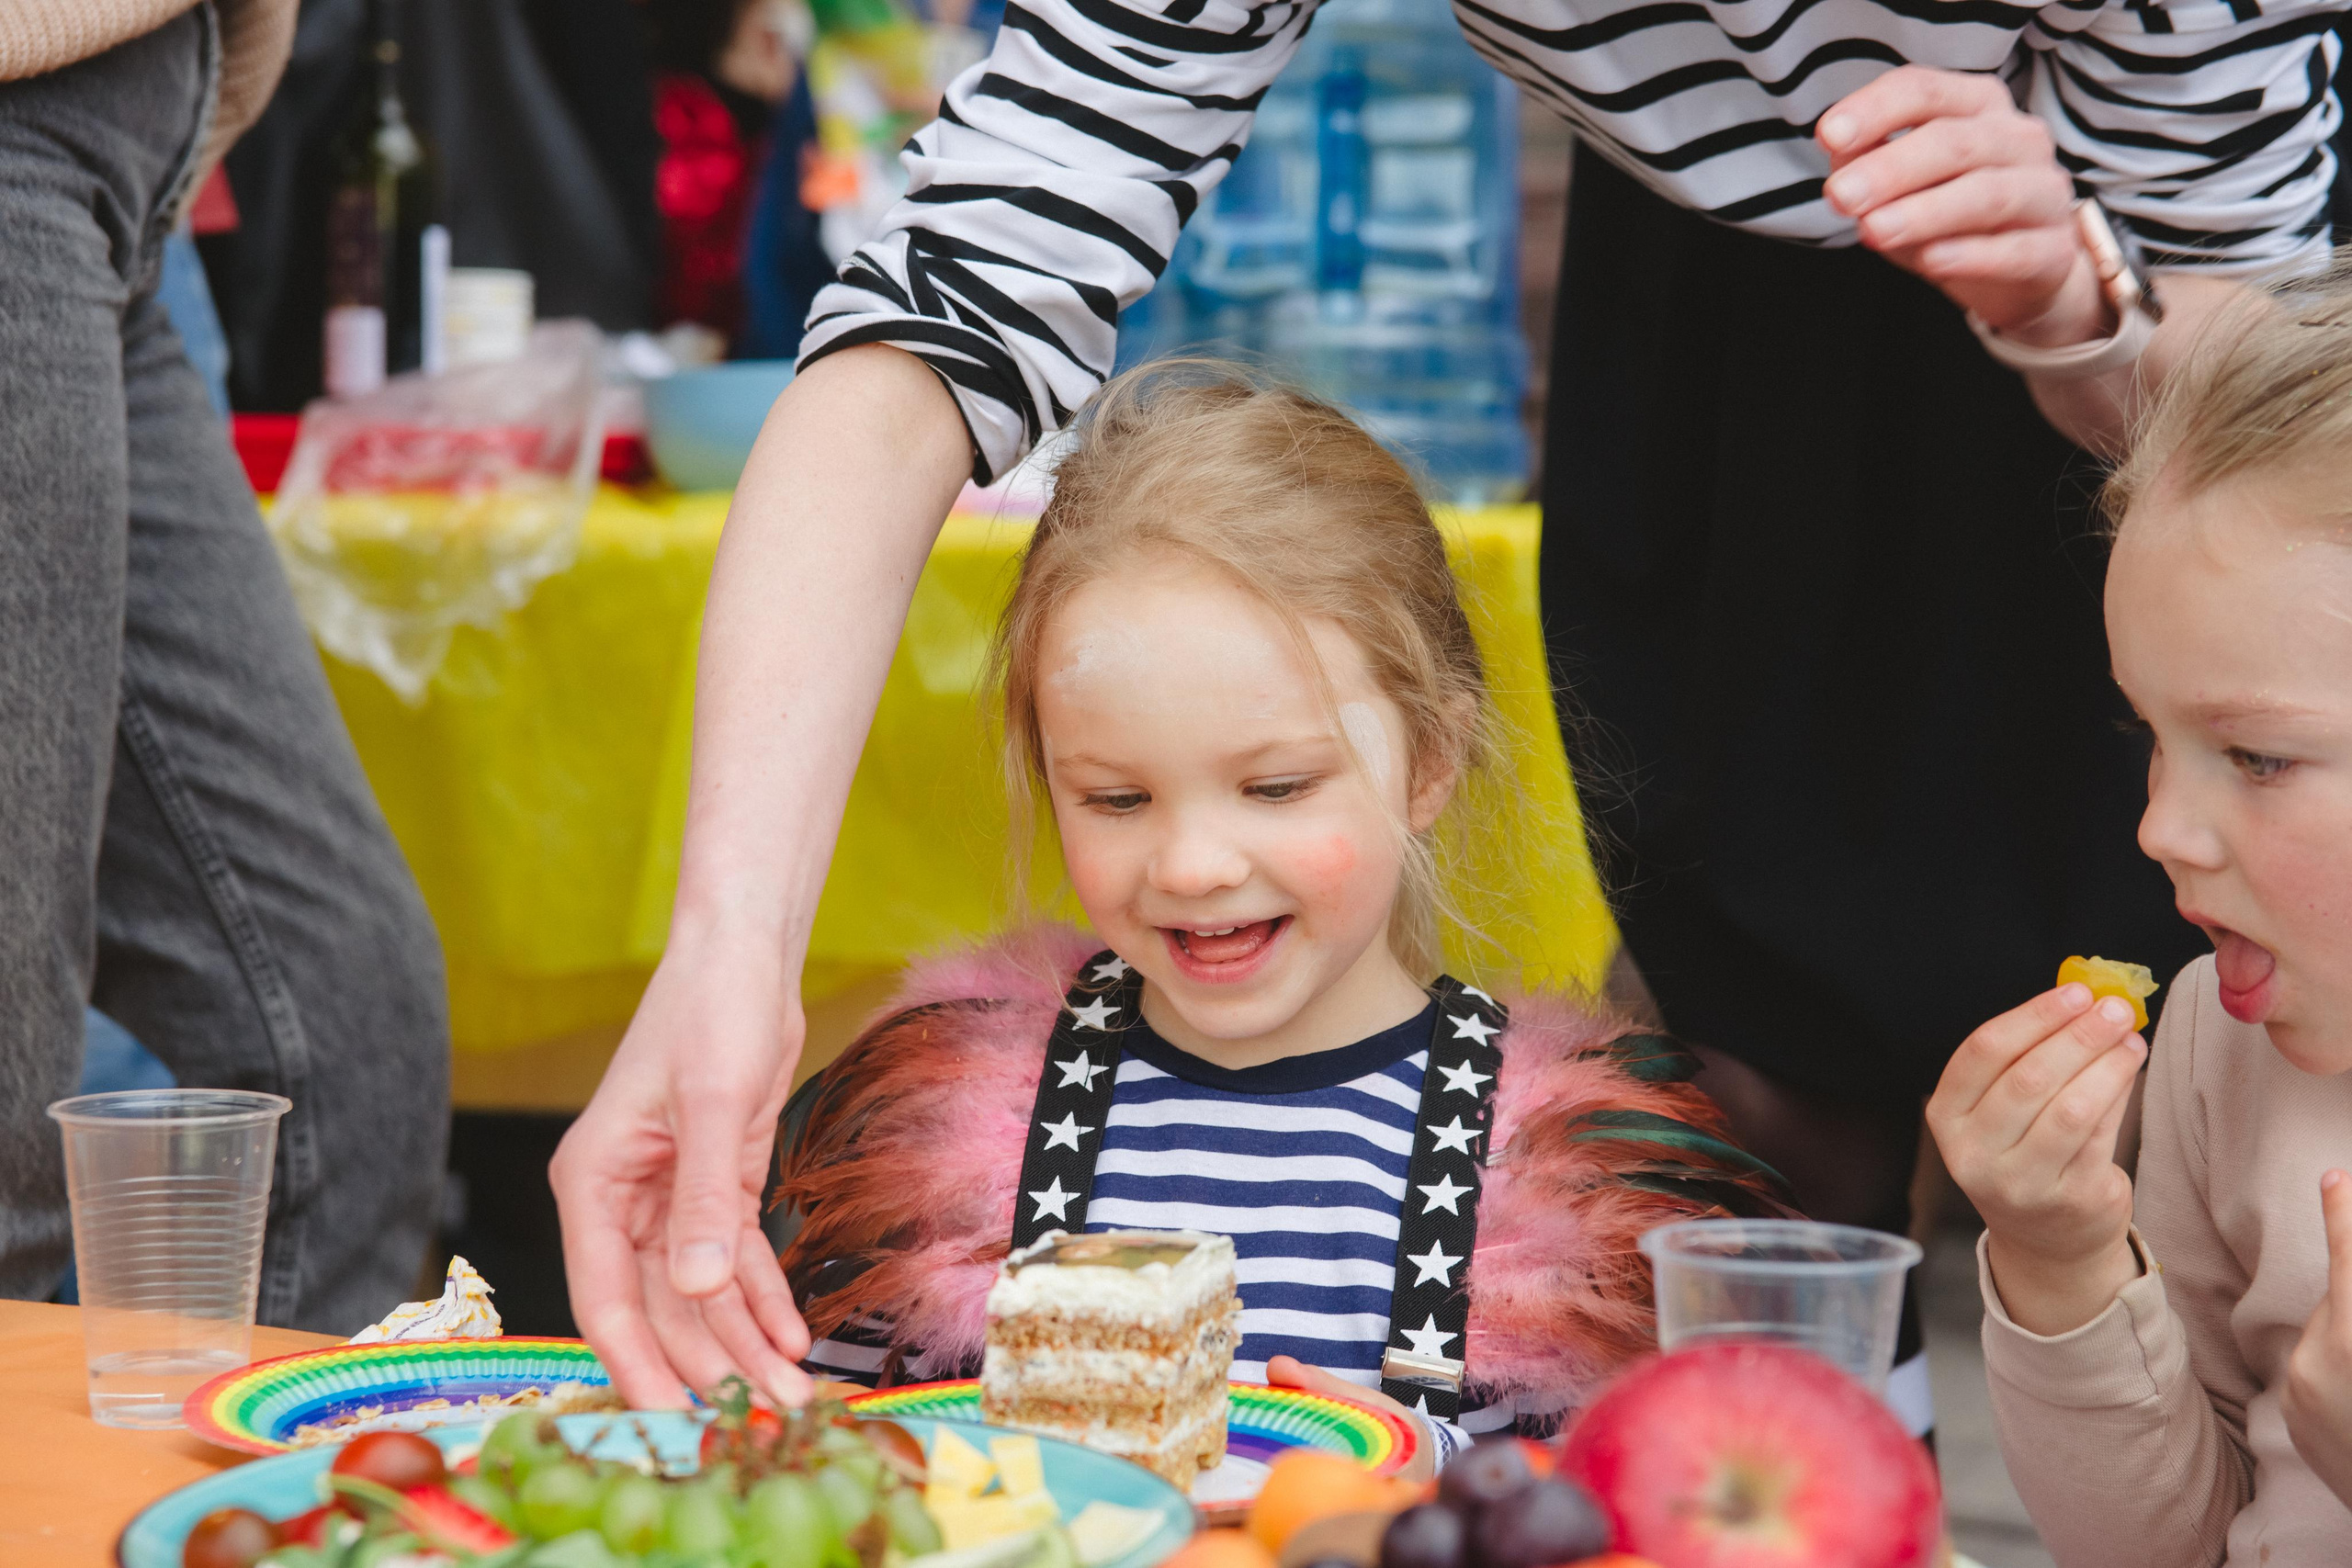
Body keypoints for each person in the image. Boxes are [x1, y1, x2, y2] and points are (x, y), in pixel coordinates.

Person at [551, 0, 2346, 1405]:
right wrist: (727, 954)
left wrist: (2080, 308)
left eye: (1270, 784)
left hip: (2153, 343)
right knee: (1768, 1101)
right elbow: (958, 280)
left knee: (2230, 1161)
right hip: (1711, 308)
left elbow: (2268, 397)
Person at [768, 361, 1789, 1465]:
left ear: (1430, 760)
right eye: (1117, 799)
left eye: (1275, 788)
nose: (1194, 866)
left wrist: (1437, 1479)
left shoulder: (1560, 1189)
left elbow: (1641, 1503)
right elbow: (830, 1459)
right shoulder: (934, 1145)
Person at [0, 1, 449, 1329]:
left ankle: (250, 1472)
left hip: (138, 179)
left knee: (341, 1023)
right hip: (31, 147)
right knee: (11, 1138)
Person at [1927, 267, 2352, 1565]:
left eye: (2257, 756)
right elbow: (2165, 1547)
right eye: (2150, 736)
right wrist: (2063, 1261)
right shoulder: (2224, 1048)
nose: (2160, 826)